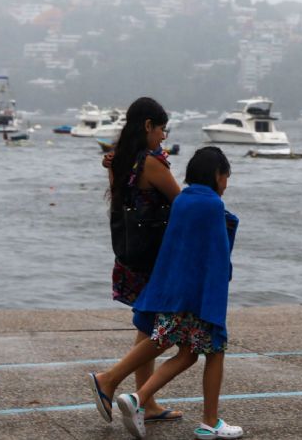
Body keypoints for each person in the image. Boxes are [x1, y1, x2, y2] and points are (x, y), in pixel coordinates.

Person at [96, 147, 242, 440]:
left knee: (184, 352)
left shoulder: (183, 201)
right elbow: (215, 258)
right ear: (217, 175)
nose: (226, 183)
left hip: (172, 294)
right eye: (226, 176)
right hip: (199, 300)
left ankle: (137, 398)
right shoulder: (212, 205)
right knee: (215, 351)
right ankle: (209, 422)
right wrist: (215, 307)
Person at [89, 97, 183, 425]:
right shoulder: (151, 164)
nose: (163, 137)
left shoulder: (120, 163)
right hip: (157, 259)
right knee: (167, 328)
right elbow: (183, 203)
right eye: (161, 129)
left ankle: (147, 402)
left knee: (148, 326)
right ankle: (110, 379)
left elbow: (120, 202)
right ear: (147, 126)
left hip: (131, 257)